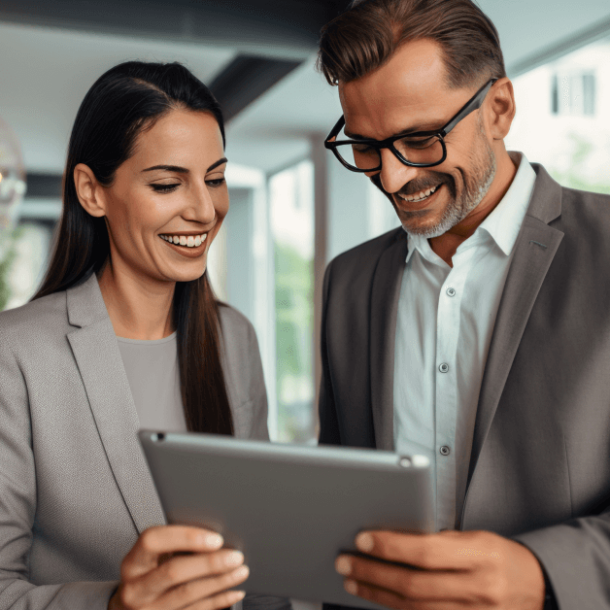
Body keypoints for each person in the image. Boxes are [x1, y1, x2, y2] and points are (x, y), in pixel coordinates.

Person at [316, 1, 610, 609]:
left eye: (419, 140)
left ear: (498, 109)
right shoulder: (348, 282)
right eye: (365, 147)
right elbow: (340, 494)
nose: (392, 179)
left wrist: (542, 574)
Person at [0, 61, 290, 610]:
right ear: (92, 191)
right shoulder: (15, 355)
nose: (205, 210)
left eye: (216, 177)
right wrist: (115, 604)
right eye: (166, 183)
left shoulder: (234, 340)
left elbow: (258, 562)